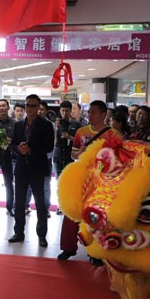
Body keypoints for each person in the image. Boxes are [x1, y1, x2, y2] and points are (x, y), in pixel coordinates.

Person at [58, 100, 113, 260]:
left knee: (98, 214)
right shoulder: (81, 131)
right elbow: (73, 154)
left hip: (103, 180)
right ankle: (68, 247)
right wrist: (79, 153)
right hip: (82, 177)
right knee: (72, 211)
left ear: (103, 114)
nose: (89, 115)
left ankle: (96, 252)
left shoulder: (113, 134)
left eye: (93, 112)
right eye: (89, 112)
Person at [9, 94, 54, 247]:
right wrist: (19, 149)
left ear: (39, 107)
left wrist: (31, 150)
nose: (29, 108)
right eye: (28, 105)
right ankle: (18, 232)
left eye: (33, 106)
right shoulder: (18, 124)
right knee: (19, 202)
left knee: (40, 204)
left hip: (37, 168)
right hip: (21, 167)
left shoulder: (46, 125)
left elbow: (49, 147)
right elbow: (13, 144)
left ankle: (42, 235)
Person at [53, 100, 80, 216]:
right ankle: (60, 205)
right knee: (59, 181)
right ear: (60, 111)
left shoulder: (76, 124)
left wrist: (69, 136)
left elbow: (80, 142)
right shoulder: (56, 124)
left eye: (67, 111)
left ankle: (67, 206)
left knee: (68, 182)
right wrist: (56, 128)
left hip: (70, 156)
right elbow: (53, 141)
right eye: (63, 110)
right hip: (58, 154)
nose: (64, 113)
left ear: (71, 111)